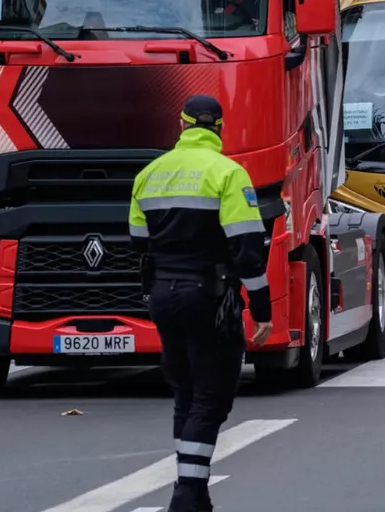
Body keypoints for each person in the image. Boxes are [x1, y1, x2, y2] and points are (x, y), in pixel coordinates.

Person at [128, 95, 272, 512]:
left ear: (182, 124)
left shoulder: (149, 174)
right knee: (211, 397)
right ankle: (186, 496)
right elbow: (246, 248)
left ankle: (196, 494)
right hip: (209, 297)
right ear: (219, 128)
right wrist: (260, 307)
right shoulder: (228, 173)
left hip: (162, 295)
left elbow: (138, 242)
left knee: (185, 394)